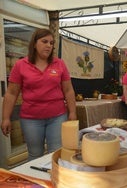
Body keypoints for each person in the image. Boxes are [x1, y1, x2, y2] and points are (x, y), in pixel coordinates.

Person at [1, 28, 77, 161]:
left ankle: (55, 180)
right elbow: (12, 93)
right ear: (34, 44)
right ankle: (37, 182)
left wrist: (72, 112)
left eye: (51, 43)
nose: (49, 45)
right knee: (35, 155)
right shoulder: (20, 65)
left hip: (57, 117)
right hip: (31, 119)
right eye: (44, 41)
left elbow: (68, 90)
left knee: (56, 154)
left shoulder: (59, 64)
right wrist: (5, 118)